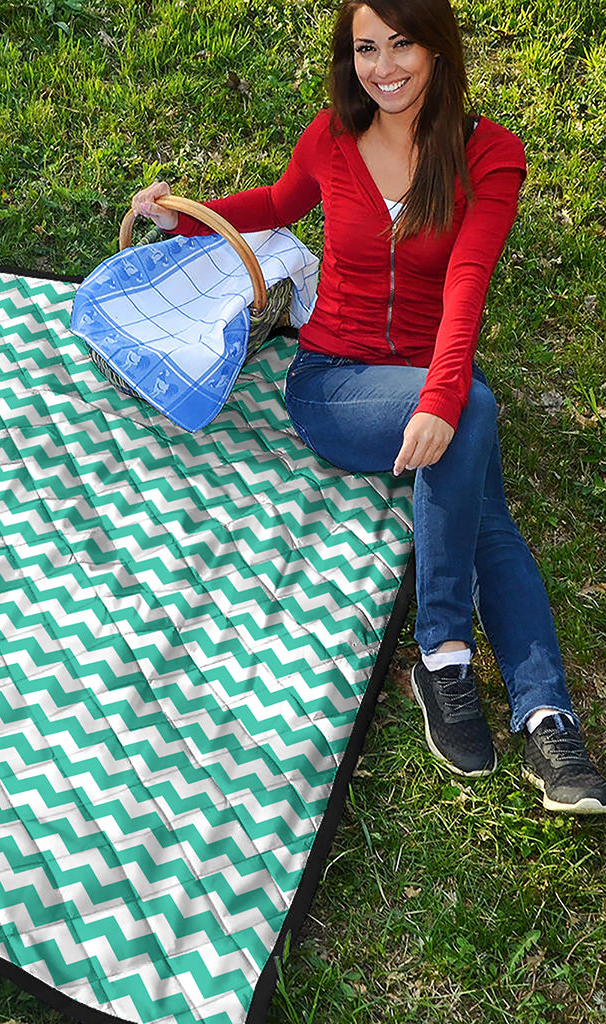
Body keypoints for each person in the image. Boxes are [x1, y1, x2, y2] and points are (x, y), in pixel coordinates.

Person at [130, 0, 606, 814]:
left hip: (426, 377)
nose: (383, 67)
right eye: (365, 49)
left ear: (438, 48)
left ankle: (539, 713)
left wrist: (443, 396)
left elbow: (467, 284)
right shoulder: (332, 137)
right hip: (333, 384)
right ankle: (453, 657)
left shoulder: (489, 155)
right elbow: (278, 205)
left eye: (402, 44)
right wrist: (184, 221)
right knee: (475, 421)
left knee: (480, 477)